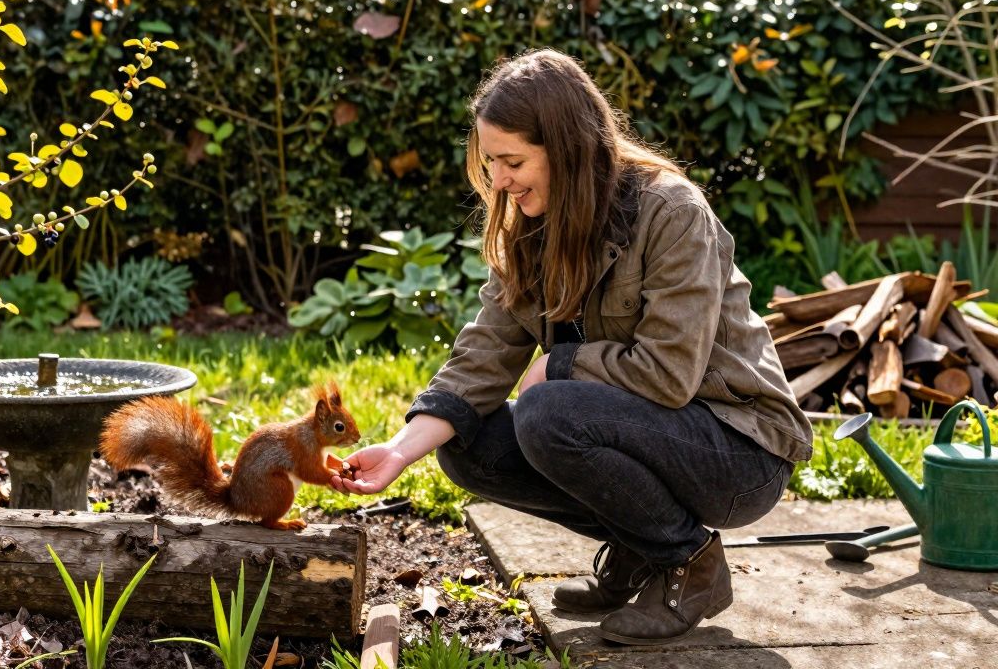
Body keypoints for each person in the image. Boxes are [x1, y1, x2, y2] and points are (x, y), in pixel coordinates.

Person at [330, 49, 812, 646]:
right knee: (466, 445)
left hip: (737, 448)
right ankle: (645, 547)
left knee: (546, 413)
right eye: (490, 162)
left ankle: (690, 564)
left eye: (513, 161)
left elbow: (670, 374)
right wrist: (401, 451)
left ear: (567, 147)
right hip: (645, 431)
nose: (499, 180)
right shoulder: (531, 221)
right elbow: (486, 347)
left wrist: (557, 364)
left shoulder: (671, 211)